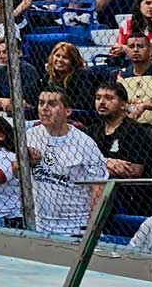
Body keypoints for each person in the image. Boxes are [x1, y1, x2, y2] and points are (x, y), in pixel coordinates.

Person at [25, 88, 107, 237]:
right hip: (39, 226)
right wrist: (25, 163)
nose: (44, 108)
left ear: (67, 111)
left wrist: (92, 228)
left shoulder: (84, 143)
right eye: (41, 103)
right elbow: (15, 172)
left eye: (52, 104)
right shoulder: (31, 135)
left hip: (75, 228)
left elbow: (99, 187)